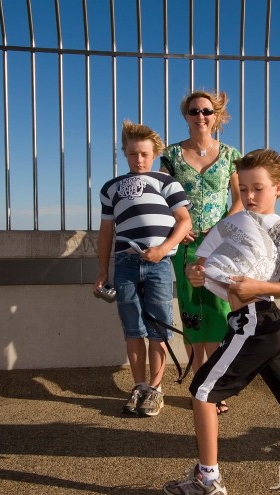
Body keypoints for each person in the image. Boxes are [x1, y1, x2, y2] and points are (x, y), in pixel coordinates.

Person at [162, 149, 280, 495]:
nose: (249, 196)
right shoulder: (228, 224)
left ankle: (208, 481)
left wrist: (259, 287)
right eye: (243, 188)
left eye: (258, 188)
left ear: (278, 188)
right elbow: (200, 265)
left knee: (202, 393)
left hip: (257, 321)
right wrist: (195, 274)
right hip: (259, 324)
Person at [95, 120, 191, 417]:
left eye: (145, 154)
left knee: (158, 329)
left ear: (155, 154)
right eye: (133, 154)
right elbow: (106, 233)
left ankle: (156, 389)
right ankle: (139, 385)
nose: (139, 160)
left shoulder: (167, 182)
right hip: (125, 264)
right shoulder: (111, 188)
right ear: (125, 153)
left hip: (159, 264)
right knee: (133, 329)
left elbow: (184, 221)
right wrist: (102, 272)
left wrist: (163, 249)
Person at [160, 90, 243, 415]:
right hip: (186, 244)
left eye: (207, 111)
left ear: (216, 114)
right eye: (194, 111)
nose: (201, 116)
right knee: (194, 314)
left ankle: (215, 384)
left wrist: (222, 228)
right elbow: (159, 194)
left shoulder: (230, 154)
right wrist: (175, 223)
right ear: (186, 115)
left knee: (221, 312)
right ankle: (201, 385)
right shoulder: (171, 154)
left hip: (221, 243)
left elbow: (239, 198)